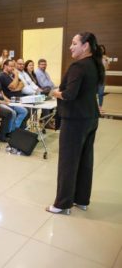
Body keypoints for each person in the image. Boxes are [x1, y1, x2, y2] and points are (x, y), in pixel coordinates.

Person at [47, 32, 104, 214]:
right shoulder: (95, 65)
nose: (71, 47)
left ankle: (62, 204)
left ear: (85, 46)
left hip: (75, 120)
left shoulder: (78, 66)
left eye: (74, 43)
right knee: (85, 160)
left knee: (68, 162)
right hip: (90, 118)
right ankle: (81, 199)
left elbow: (69, 94)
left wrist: (54, 92)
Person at [0, 63, 28, 133]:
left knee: (24, 111)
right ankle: (9, 132)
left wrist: (9, 101)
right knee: (13, 113)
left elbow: (2, 94)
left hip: (6, 100)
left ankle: (14, 129)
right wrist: (4, 102)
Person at [97, 45, 109, 110]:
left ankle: (100, 107)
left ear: (104, 50)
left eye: (102, 49)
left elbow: (107, 68)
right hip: (95, 75)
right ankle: (93, 107)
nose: (101, 50)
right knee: (92, 92)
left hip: (102, 75)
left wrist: (106, 60)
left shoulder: (106, 58)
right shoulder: (95, 57)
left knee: (101, 93)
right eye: (100, 49)